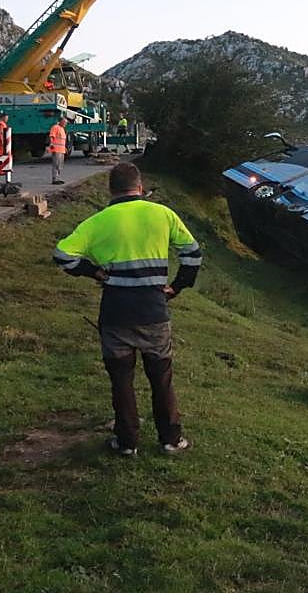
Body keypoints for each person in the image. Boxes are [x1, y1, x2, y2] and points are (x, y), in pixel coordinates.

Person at [53, 162, 202, 456]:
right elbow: (193, 254)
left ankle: (126, 443)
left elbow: (62, 255)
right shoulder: (163, 214)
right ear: (140, 186)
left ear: (111, 189)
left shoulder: (99, 221)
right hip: (154, 312)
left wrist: (94, 272)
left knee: (121, 381)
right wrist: (178, 286)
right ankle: (171, 439)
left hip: (116, 313)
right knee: (161, 378)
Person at [48, 117, 68, 184]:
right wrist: (51, 144)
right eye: (64, 122)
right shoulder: (55, 127)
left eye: (66, 122)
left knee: (60, 165)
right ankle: (54, 179)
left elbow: (62, 140)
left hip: (62, 150)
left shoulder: (62, 129)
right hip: (56, 149)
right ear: (60, 122)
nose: (65, 123)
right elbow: (52, 136)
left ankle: (58, 178)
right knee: (56, 165)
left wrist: (64, 148)